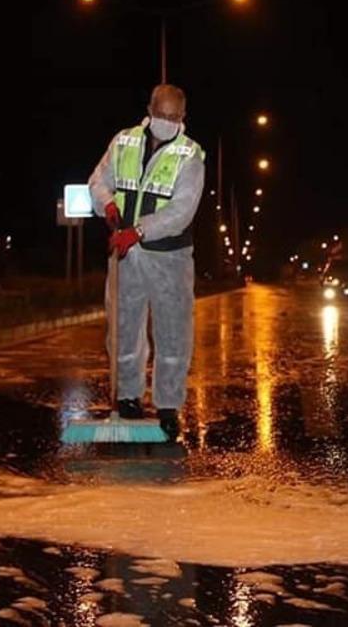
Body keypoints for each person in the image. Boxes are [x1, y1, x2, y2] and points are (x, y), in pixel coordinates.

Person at [88, 83, 206, 440]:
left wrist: (138, 231)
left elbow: (181, 211)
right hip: (126, 258)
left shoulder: (190, 155)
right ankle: (128, 399)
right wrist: (106, 204)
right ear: (149, 110)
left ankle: (168, 407)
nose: (166, 122)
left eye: (173, 117)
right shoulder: (123, 141)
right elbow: (98, 181)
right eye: (161, 115)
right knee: (123, 329)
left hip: (169, 258)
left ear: (182, 117)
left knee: (172, 333)